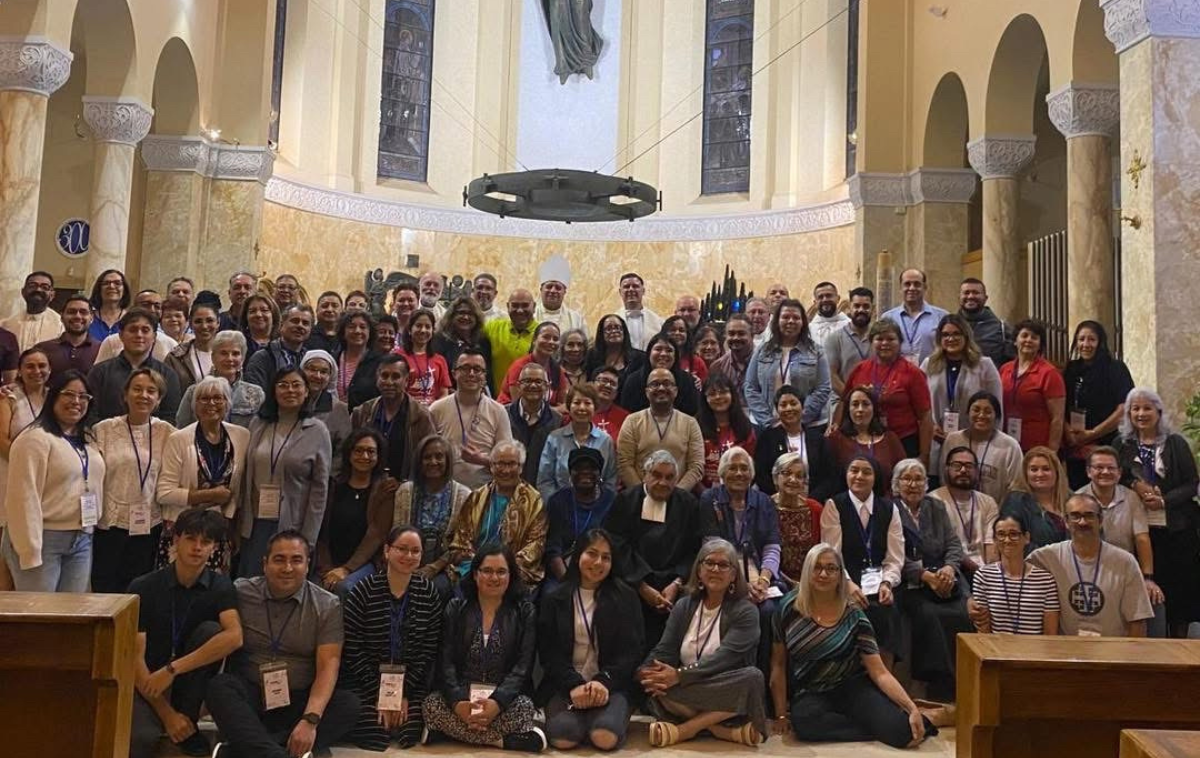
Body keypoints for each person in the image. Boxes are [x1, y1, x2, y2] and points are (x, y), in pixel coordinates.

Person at [207, 530, 359, 758]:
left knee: (349, 705)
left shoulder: (327, 605)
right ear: (265, 563)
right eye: (279, 559)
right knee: (219, 688)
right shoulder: (240, 591)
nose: (287, 568)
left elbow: (329, 665)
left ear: (308, 565)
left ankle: (244, 750)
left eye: (296, 560)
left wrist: (310, 720)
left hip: (299, 701)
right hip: (252, 696)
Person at [769, 544, 933, 749]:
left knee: (905, 734)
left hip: (852, 687)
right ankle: (877, 726)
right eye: (817, 567)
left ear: (840, 575)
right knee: (803, 724)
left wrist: (910, 707)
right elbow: (778, 664)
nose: (823, 574)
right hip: (810, 690)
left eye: (831, 568)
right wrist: (781, 715)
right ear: (807, 571)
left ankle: (918, 719)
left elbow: (879, 671)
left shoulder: (854, 615)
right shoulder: (786, 609)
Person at [127, 509, 243, 758]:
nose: (197, 547)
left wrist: (172, 670)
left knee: (211, 631)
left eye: (206, 542)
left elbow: (235, 637)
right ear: (176, 539)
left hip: (188, 682)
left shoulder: (221, 586)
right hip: (148, 682)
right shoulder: (143, 586)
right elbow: (133, 657)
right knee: (138, 737)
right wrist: (167, 715)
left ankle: (184, 723)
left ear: (214, 548)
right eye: (191, 538)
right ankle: (174, 727)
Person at [638, 539, 767, 747]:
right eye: (709, 563)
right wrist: (647, 671)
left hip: (724, 689)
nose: (715, 569)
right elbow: (665, 649)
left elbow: (724, 659)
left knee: (753, 678)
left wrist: (679, 675)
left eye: (723, 565)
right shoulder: (683, 606)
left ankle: (685, 730)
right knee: (656, 682)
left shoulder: (746, 611)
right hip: (690, 687)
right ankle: (718, 730)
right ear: (699, 570)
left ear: (734, 575)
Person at [421, 546, 546, 751]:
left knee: (524, 707)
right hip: (464, 697)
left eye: (501, 572)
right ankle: (503, 740)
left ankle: (452, 733)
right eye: (487, 571)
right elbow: (446, 662)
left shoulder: (524, 611)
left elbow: (523, 667)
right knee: (431, 704)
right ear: (476, 574)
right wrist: (458, 701)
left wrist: (498, 702)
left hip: (503, 700)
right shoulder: (456, 607)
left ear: (510, 575)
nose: (494, 578)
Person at [538, 528, 643, 751]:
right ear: (578, 556)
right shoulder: (555, 598)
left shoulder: (626, 597)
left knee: (604, 737)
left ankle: (602, 717)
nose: (598, 562)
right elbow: (549, 653)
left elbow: (632, 652)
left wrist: (604, 682)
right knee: (563, 739)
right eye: (592, 554)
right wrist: (574, 685)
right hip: (565, 684)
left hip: (611, 685)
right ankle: (583, 718)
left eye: (606, 557)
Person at [341, 525, 444, 751]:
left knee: (410, 730)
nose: (409, 556)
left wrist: (402, 694)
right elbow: (353, 649)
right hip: (366, 682)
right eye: (402, 549)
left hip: (410, 683)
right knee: (373, 730)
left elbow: (428, 650)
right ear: (387, 551)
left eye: (415, 551)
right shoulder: (362, 591)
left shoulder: (429, 593)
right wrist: (382, 695)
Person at [2, 370, 105, 591]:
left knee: (72, 617)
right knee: (40, 616)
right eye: (68, 394)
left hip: (82, 538)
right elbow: (23, 498)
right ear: (53, 396)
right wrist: (29, 550)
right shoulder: (34, 439)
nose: (76, 401)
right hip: (42, 539)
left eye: (83, 396)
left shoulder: (87, 440)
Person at [605, 450, 714, 650]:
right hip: (634, 581)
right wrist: (642, 586)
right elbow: (616, 547)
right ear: (645, 475)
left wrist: (676, 583)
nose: (663, 483)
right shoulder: (625, 500)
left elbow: (694, 550)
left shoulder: (688, 504)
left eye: (669, 477)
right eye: (656, 475)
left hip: (674, 583)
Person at [1116, 387, 1200, 637]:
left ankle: (1179, 645)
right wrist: (1135, 485)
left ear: (1158, 412)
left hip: (1176, 531)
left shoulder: (1175, 443)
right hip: (1141, 531)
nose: (1141, 413)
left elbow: (1191, 484)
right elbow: (1117, 475)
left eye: (1147, 408)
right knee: (1144, 594)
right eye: (1136, 408)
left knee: (1179, 597)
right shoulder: (1122, 444)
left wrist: (1164, 500)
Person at [891, 459, 972, 706]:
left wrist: (949, 568)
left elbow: (953, 544)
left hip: (943, 578)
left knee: (962, 613)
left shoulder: (936, 506)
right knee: (928, 615)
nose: (913, 484)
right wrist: (924, 575)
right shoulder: (889, 509)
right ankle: (937, 685)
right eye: (907, 478)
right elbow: (892, 555)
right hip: (910, 583)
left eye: (919, 479)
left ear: (927, 483)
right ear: (896, 484)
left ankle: (963, 683)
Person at [238, 367, 332, 577]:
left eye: (296, 385)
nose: (290, 390)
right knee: (252, 583)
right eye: (283, 385)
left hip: (294, 522)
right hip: (256, 521)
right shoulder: (259, 423)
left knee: (284, 582)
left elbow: (320, 490)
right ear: (273, 391)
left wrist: (309, 537)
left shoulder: (317, 431)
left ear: (307, 391)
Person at [91, 369, 177, 593]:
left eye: (151, 391)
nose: (144, 395)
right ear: (125, 395)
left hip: (150, 525)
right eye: (137, 389)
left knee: (140, 591)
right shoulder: (104, 429)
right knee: (105, 589)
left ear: (158, 399)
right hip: (109, 524)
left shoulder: (168, 432)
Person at [700, 447, 782, 672]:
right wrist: (740, 586)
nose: (739, 473)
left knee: (768, 611)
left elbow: (772, 546)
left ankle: (761, 676)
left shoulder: (764, 501)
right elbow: (712, 548)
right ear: (722, 474)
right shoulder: (710, 499)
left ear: (752, 474)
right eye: (732, 468)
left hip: (758, 574)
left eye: (744, 468)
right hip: (722, 572)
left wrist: (764, 581)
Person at [157, 376, 250, 573]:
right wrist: (210, 495)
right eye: (204, 399)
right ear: (194, 405)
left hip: (220, 530)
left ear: (228, 403)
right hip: (183, 529)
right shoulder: (179, 439)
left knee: (213, 592)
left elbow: (240, 489)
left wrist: (234, 524)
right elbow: (164, 493)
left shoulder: (242, 436)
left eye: (218, 398)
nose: (212, 404)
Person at [1026, 494, 1154, 636]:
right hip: (1066, 651)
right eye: (1075, 516)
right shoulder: (1046, 557)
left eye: (1089, 516)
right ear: (1066, 522)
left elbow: (1137, 620)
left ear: (1100, 521)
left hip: (1112, 651)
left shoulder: (1125, 562)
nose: (1082, 522)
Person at [820, 455, 904, 661]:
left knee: (887, 611)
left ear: (876, 478)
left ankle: (886, 682)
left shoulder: (889, 508)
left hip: (879, 580)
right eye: (854, 470)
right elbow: (833, 554)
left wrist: (887, 582)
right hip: (844, 578)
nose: (859, 476)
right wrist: (848, 584)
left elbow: (895, 556)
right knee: (853, 609)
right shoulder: (834, 505)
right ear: (846, 474)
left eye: (866, 472)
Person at [1078, 445, 1164, 636]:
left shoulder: (1132, 498)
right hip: (1085, 573)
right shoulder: (1077, 499)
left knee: (1154, 598)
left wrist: (1147, 579)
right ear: (1088, 472)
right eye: (1099, 467)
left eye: (1111, 468)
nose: (1105, 472)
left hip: (1125, 572)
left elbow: (1141, 538)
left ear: (1119, 473)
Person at [446, 440, 547, 587]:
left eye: (511, 464)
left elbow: (535, 545)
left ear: (520, 468)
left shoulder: (534, 501)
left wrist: (502, 568)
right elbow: (461, 540)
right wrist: (482, 566)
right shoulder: (476, 497)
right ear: (491, 466)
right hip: (475, 567)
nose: (506, 470)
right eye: (500, 464)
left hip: (514, 571)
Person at [922, 313, 1002, 482]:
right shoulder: (929, 365)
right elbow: (920, 405)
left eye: (956, 334)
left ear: (966, 336)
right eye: (945, 335)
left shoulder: (984, 365)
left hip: (974, 439)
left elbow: (997, 407)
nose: (951, 339)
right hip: (938, 439)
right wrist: (931, 426)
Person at [391, 434, 471, 598]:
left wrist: (433, 568)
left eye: (439, 456)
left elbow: (462, 544)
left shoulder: (464, 495)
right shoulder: (405, 491)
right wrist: (409, 565)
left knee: (432, 589)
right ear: (419, 462)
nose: (433, 462)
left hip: (445, 566)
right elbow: (396, 534)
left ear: (448, 460)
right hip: (405, 560)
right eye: (427, 457)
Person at [843, 319, 933, 464]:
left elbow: (925, 416)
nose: (885, 343)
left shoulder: (912, 373)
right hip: (865, 440)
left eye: (891, 339)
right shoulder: (860, 369)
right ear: (871, 342)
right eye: (879, 339)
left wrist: (924, 455)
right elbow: (844, 403)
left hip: (904, 440)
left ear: (900, 342)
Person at [315, 429, 392, 599]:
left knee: (344, 588)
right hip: (329, 561)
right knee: (313, 587)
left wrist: (346, 569)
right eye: (358, 450)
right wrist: (327, 568)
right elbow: (322, 533)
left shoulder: (385, 490)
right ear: (349, 454)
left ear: (378, 456)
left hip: (366, 564)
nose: (364, 456)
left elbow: (376, 534)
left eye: (370, 451)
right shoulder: (333, 487)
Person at [1061, 321, 1135, 488]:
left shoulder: (1115, 368)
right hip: (1075, 446)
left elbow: (1124, 408)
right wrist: (1070, 435)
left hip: (1107, 442)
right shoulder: (1070, 369)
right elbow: (1060, 407)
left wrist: (1092, 434)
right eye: (1081, 339)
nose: (1086, 344)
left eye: (1091, 339)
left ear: (1100, 342)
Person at [0, 347, 49, 589]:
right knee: (7, 546)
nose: (36, 371)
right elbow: (1, 440)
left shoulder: (55, 398)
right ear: (19, 370)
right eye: (30, 366)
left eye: (42, 366)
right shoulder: (8, 397)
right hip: (11, 476)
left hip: (47, 482)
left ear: (50, 369)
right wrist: (28, 464)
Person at [745, 298, 831, 430]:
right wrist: (769, 422)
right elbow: (750, 388)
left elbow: (823, 388)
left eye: (796, 317)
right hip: (768, 426)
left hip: (808, 425)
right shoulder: (763, 351)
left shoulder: (816, 352)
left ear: (803, 322)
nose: (791, 321)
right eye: (785, 317)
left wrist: (798, 419)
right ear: (777, 321)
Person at [969, 512, 1061, 635]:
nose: (1007, 540)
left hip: (1033, 651)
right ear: (994, 540)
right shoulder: (983, 576)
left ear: (1026, 537)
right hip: (996, 651)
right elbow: (983, 629)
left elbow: (1050, 634)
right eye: (1001, 535)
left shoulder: (1046, 580)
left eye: (1014, 534)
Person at [615, 368, 705, 491]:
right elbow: (624, 463)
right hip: (640, 498)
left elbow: (696, 466)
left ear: (676, 391)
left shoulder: (690, 423)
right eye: (655, 384)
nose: (661, 388)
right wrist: (643, 494)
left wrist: (676, 495)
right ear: (647, 392)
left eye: (667, 384)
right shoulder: (632, 421)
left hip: (679, 497)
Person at [350, 354, 436, 482]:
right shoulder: (362, 413)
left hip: (405, 487)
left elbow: (430, 456)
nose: (389, 382)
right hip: (367, 486)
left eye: (396, 377)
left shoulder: (421, 416)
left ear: (406, 381)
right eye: (384, 376)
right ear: (377, 379)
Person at [87, 308, 183, 422]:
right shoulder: (100, 372)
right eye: (133, 330)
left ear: (154, 337)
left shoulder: (167, 375)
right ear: (121, 335)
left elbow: (170, 417)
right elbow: (90, 414)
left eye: (145, 330)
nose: (139, 335)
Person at [542, 448, 618, 587]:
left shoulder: (611, 501)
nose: (585, 472)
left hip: (600, 568)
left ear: (600, 473)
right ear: (570, 473)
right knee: (552, 596)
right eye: (578, 468)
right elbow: (553, 548)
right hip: (563, 570)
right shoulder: (558, 501)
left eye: (591, 468)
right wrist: (568, 584)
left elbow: (614, 547)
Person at [537, 382, 617, 502]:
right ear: (569, 407)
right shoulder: (554, 438)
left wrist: (601, 506)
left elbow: (610, 480)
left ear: (595, 408)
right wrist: (556, 505)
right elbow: (545, 480)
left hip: (596, 509)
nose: (582, 408)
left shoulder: (605, 440)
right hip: (560, 507)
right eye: (577, 402)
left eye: (587, 403)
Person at [753, 384, 836, 498]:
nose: (789, 408)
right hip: (776, 503)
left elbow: (830, 476)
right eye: (783, 405)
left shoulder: (818, 440)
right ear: (777, 410)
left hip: (811, 502)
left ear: (802, 407)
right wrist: (780, 497)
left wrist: (812, 499)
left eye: (793, 403)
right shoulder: (767, 438)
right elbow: (761, 475)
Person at [941, 390, 1023, 505]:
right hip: (955, 509)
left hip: (996, 513)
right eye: (976, 410)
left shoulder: (1010, 446)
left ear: (997, 416)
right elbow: (944, 478)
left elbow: (1016, 488)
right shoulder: (953, 440)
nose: (981, 415)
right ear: (967, 413)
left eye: (988, 411)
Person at [929, 446, 999, 574]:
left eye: (969, 466)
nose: (963, 470)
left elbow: (991, 544)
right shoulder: (933, 501)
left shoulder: (988, 502)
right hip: (951, 568)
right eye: (957, 465)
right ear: (946, 469)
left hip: (985, 570)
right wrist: (978, 572)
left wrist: (991, 574)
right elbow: (943, 546)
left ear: (977, 471)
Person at [999, 319, 1066, 452]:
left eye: (1034, 338)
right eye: (1024, 336)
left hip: (1037, 446)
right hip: (1008, 443)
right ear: (1015, 340)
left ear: (1040, 344)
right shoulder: (1004, 369)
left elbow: (1057, 418)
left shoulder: (1049, 373)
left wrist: (1051, 451)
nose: (1028, 340)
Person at [176, 330, 265, 428]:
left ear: (242, 359)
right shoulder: (194, 392)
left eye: (235, 354)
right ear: (213, 357)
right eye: (224, 353)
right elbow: (181, 430)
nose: (230, 358)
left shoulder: (256, 394)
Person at [826, 385, 908, 486]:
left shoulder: (890, 439)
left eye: (865, 404)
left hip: (885, 499)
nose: (860, 409)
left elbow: (903, 474)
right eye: (855, 404)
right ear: (848, 409)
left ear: (874, 408)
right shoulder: (836, 439)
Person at [999, 446, 1070, 550]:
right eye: (1034, 469)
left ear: (1057, 472)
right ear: (1025, 473)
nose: (1040, 474)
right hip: (1033, 562)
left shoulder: (1071, 498)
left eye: (1046, 469)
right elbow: (1014, 540)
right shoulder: (1016, 501)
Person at [698, 374, 757, 490]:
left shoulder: (745, 427)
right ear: (705, 399)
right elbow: (693, 467)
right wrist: (705, 496)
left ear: (732, 395)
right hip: (703, 494)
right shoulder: (696, 426)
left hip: (740, 491)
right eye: (712, 394)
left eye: (723, 392)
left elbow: (750, 467)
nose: (718, 397)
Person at [619, 332, 700, 416]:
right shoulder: (633, 381)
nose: (663, 354)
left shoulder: (687, 381)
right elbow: (626, 413)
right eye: (658, 349)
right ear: (649, 353)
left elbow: (692, 412)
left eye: (669, 350)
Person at [506, 362, 561, 485]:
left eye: (538, 381)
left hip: (542, 489)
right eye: (527, 381)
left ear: (547, 386)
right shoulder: (503, 415)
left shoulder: (558, 420)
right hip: (508, 486)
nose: (533, 385)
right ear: (518, 385)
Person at [880, 268, 948, 365]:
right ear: (900, 288)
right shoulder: (888, 317)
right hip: (897, 375)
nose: (912, 288)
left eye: (917, 284)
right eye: (907, 284)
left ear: (925, 287)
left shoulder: (942, 316)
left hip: (931, 375)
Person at [94, 289, 179, 364]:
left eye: (157, 306)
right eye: (146, 304)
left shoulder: (171, 344)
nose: (152, 310)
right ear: (134, 307)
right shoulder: (111, 342)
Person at [243, 303, 314, 392]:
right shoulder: (261, 358)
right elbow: (254, 397)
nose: (300, 326)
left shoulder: (311, 360)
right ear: (281, 324)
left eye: (305, 323)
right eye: (295, 321)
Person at [300, 350, 351, 471]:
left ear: (330, 377)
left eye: (323, 372)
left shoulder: (339, 409)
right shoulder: (290, 402)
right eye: (312, 369)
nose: (317, 376)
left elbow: (343, 450)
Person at [824, 286, 874, 408]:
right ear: (849, 308)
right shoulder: (835, 338)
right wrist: (853, 400)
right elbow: (832, 375)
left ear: (873, 308)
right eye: (856, 306)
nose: (861, 310)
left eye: (866, 306)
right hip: (844, 402)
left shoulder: (880, 338)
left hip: (876, 403)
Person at [499, 322, 569, 407]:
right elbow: (519, 407)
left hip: (546, 418)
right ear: (534, 340)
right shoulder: (519, 367)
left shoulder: (558, 371)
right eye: (546, 337)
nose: (551, 342)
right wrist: (554, 411)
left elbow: (563, 405)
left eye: (555, 339)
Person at [431, 296, 494, 390]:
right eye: (461, 313)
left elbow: (487, 374)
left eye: (470, 314)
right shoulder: (439, 340)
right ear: (452, 316)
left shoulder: (483, 341)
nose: (465, 317)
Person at [484, 288, 538, 393]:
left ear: (534, 307)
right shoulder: (492, 327)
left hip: (530, 402)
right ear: (508, 306)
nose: (520, 310)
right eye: (515, 305)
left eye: (525, 305)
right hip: (496, 400)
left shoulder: (542, 334)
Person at [35, 294, 101, 375]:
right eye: (71, 312)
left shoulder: (101, 349)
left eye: (83, 312)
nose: (77, 316)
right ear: (61, 316)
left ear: (91, 318)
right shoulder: (43, 349)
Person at [164, 301, 221, 395]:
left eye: (209, 320)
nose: (204, 326)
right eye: (198, 321)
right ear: (190, 324)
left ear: (218, 323)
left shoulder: (229, 354)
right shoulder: (175, 357)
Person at [584, 314, 646, 396]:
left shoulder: (640, 357)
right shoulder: (592, 356)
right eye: (609, 329)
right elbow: (588, 384)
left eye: (617, 327)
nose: (613, 331)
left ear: (624, 331)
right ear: (601, 333)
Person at [958, 278, 1014, 367]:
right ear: (959, 297)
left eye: (976, 293)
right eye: (966, 293)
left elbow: (1011, 364)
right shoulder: (949, 327)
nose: (971, 296)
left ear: (985, 298)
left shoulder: (1001, 328)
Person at [401, 308, 452, 406]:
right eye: (418, 326)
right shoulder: (398, 357)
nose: (423, 330)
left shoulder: (440, 360)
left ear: (433, 331)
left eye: (427, 327)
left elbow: (444, 393)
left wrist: (432, 410)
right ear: (409, 330)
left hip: (432, 414)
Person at [2, 271, 62, 350]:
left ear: (52, 295)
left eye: (45, 287)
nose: (38, 289)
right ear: (23, 292)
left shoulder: (60, 325)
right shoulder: (7, 324)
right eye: (32, 285)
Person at [708, 315, 754, 409]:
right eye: (731, 334)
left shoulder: (765, 363)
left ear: (752, 335)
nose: (736, 338)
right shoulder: (717, 366)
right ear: (725, 336)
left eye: (741, 333)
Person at [335, 309, 379, 406]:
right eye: (351, 327)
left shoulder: (379, 362)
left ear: (370, 332)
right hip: (334, 418)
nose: (357, 331)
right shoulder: (333, 359)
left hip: (366, 418)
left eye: (363, 327)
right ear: (343, 332)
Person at [535, 257, 587, 336]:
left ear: (564, 292)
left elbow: (586, 345)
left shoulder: (576, 319)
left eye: (558, 288)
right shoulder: (531, 315)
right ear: (541, 289)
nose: (553, 291)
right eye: (549, 286)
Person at [616, 272, 664, 351]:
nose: (631, 289)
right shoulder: (613, 321)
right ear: (620, 292)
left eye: (635, 286)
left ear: (643, 290)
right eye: (626, 287)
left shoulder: (659, 322)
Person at [661, 315, 707, 386]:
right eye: (673, 330)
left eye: (681, 330)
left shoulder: (697, 362)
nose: (677, 333)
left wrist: (699, 384)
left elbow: (706, 388)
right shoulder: (660, 358)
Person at [88, 268, 131, 341]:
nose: (111, 286)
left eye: (117, 283)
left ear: (124, 290)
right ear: (99, 289)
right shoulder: (88, 318)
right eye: (106, 283)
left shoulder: (131, 319)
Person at [589, 366, 630, 441]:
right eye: (604, 380)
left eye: (613, 383)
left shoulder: (626, 418)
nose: (608, 385)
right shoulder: (579, 411)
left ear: (616, 393)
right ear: (591, 384)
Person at [808, 281, 851, 347]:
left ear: (838, 298)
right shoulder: (809, 330)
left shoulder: (850, 326)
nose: (825, 299)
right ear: (815, 302)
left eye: (829, 296)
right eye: (820, 297)